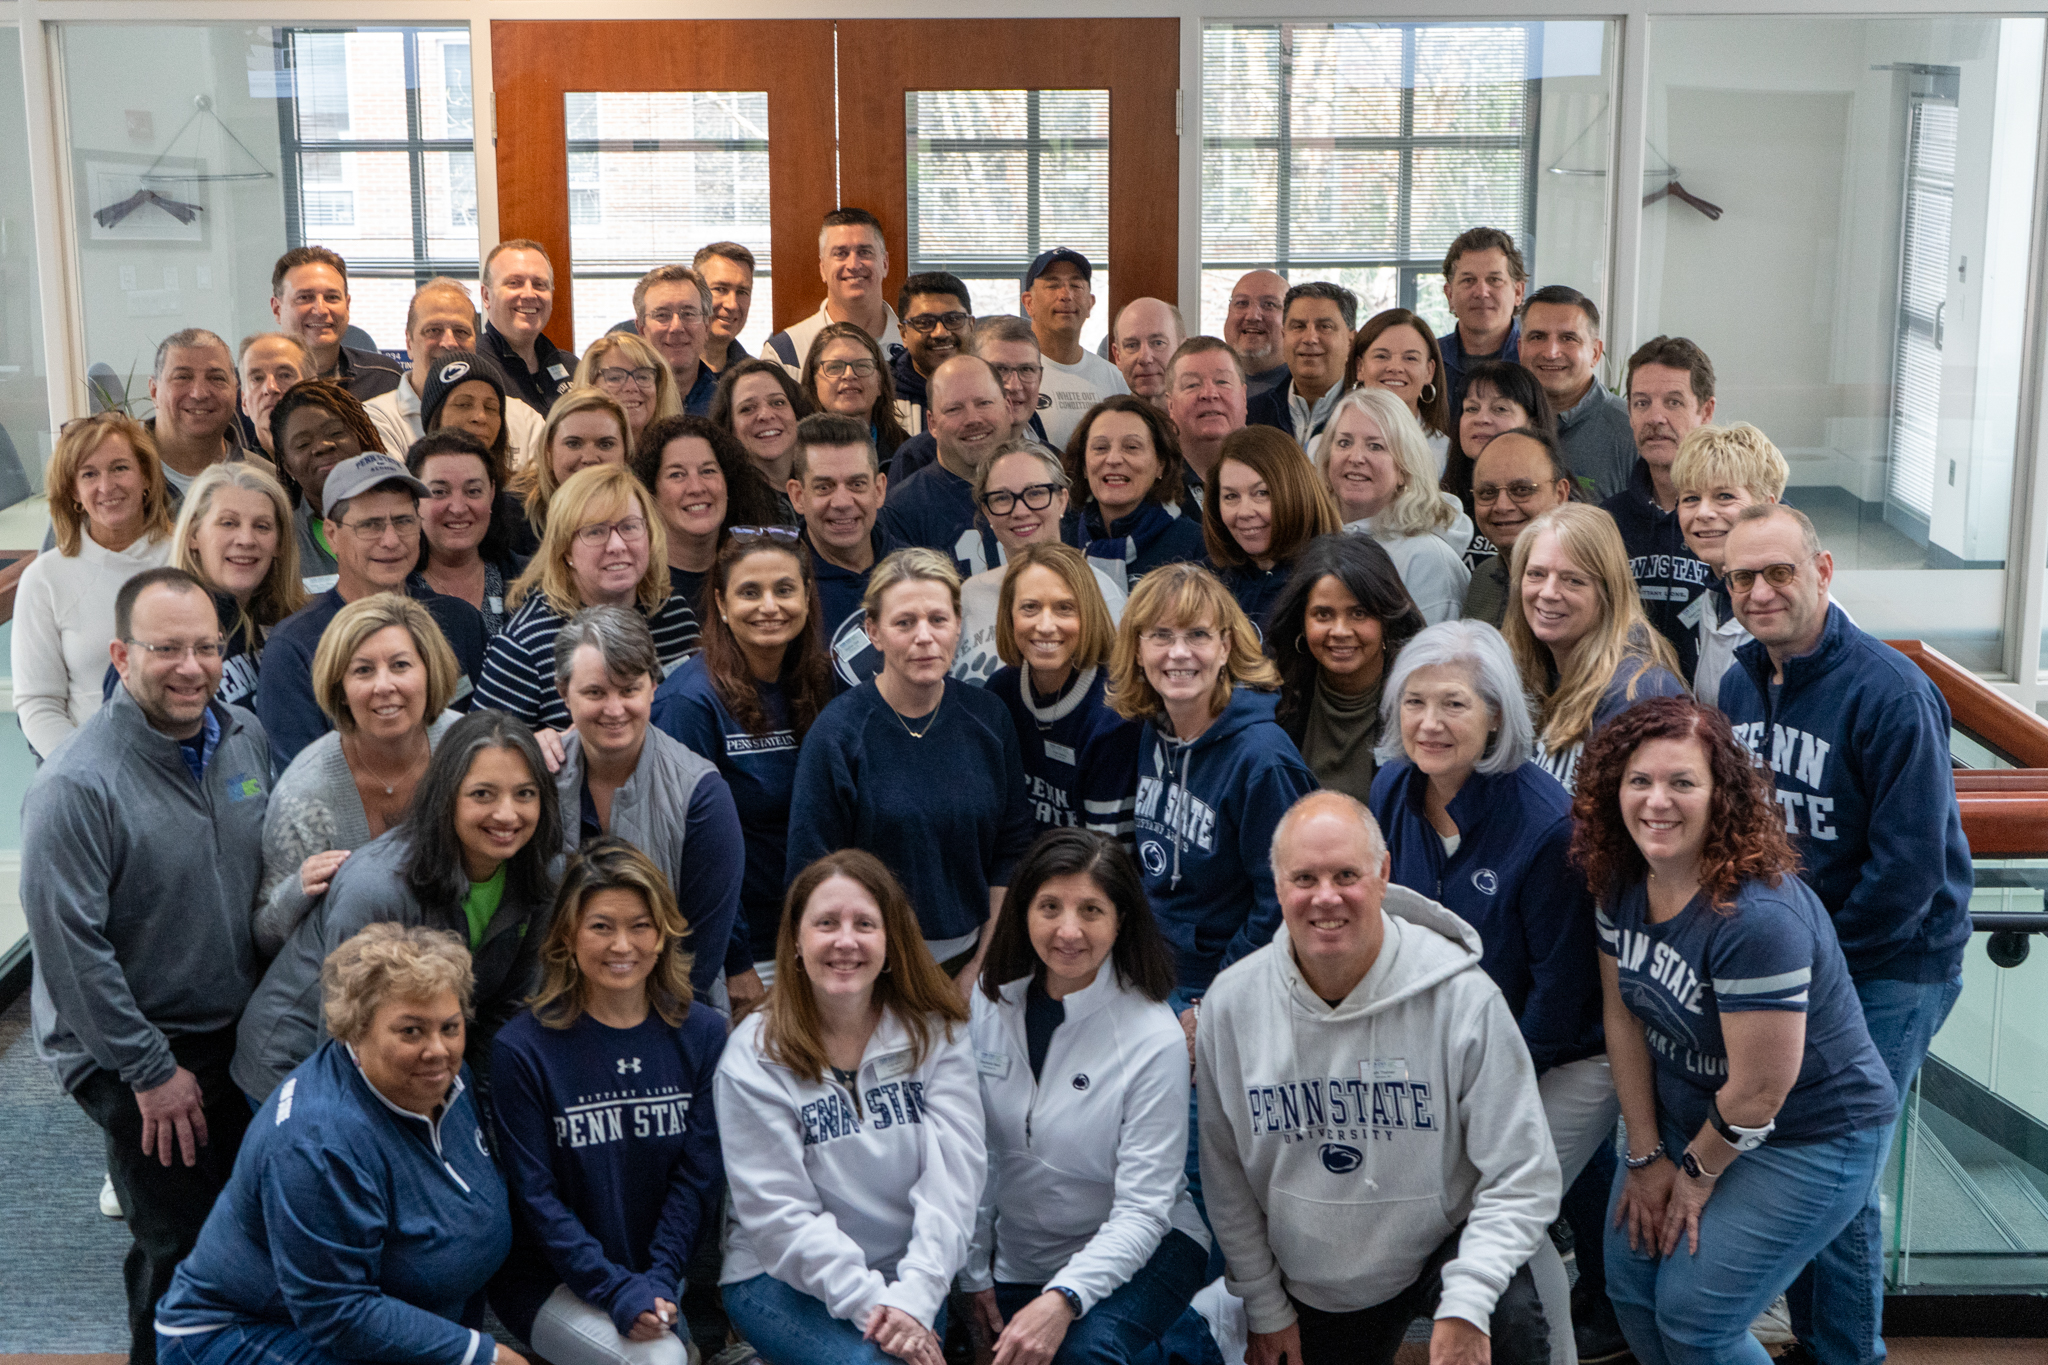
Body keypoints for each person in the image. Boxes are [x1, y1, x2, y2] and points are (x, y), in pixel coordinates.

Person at [1715, 503, 1972, 1365]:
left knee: (1844, 1175)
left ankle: (1848, 1353)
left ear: (1821, 572)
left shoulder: (1892, 692)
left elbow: (1909, 874)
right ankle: (1818, 1339)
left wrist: (1815, 975)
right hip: (1806, 965)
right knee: (1803, 1166)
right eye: (1742, 577)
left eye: (1779, 572)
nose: (1760, 591)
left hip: (1893, 964)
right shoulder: (1740, 681)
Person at [1573, 697, 1899, 1365]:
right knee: (1632, 1290)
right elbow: (1623, 1016)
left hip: (1809, 1134)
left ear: (1721, 794)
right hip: (1687, 1113)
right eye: (1640, 780)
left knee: (1696, 1319)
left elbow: (1759, 1090)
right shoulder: (1620, 879)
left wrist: (1691, 1176)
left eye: (1681, 782)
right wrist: (1643, 1156)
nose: (1656, 801)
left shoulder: (1756, 917)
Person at [1195, 791, 1560, 1365]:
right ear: (1277, 881)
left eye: (1346, 875)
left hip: (1441, 1244)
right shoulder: (1231, 1005)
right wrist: (1264, 1307)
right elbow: (1226, 1180)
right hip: (1315, 1270)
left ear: (1384, 872)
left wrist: (1469, 1301)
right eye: (1304, 878)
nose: (1325, 898)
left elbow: (1522, 1173)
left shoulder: (1462, 998)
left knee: (1507, 1316)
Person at [23, 566, 270, 1365]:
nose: (191, 666)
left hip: (224, 1019)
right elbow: (71, 950)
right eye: (168, 648)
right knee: (181, 1246)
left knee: (247, 1227)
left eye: (205, 646)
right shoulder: (75, 785)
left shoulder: (242, 735)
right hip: (129, 1043)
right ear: (123, 656)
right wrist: (150, 1070)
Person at [1370, 621, 1616, 1365]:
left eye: (1453, 704)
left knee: (1506, 1204)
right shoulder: (1389, 787)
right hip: (1446, 1055)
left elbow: (1561, 995)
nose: (1430, 723)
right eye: (1414, 702)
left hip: (1564, 1059)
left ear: (1497, 716)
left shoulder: (1544, 826)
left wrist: (1476, 1086)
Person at [155, 923, 520, 1365]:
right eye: (411, 1031)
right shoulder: (317, 1146)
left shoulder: (440, 1082)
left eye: (450, 1026)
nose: (438, 1050)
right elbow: (337, 1312)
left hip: (377, 1310)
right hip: (242, 1332)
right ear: (355, 1030)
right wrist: (479, 1355)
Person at [716, 850, 983, 1365]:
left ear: (891, 942)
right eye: (825, 923)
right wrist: (875, 1307)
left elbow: (955, 1183)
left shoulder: (936, 1032)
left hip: (909, 1278)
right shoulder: (754, 1054)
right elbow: (782, 1219)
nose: (845, 940)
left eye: (865, 923)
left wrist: (916, 1298)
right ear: (795, 940)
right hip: (778, 1278)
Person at [965, 830, 1210, 1365]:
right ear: (1023, 911)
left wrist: (1065, 1297)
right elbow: (976, 1155)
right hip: (1020, 1256)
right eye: (1049, 906)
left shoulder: (1152, 1035)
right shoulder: (990, 1003)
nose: (1068, 930)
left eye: (1091, 910)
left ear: (1121, 920)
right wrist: (974, 1272)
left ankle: (1178, 1334)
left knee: (1085, 1353)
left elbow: (1144, 1210)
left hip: (1150, 1245)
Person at [232, 710, 561, 1100]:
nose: (507, 814)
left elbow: (506, 1009)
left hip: (418, 1060)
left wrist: (483, 1112)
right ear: (446, 796)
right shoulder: (377, 889)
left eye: (525, 793)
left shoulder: (542, 872)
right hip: (301, 1065)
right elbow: (342, 1045)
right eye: (482, 794)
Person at [489, 838, 728, 1365]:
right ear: (568, 935)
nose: (623, 945)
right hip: (551, 1282)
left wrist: (659, 1278)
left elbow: (697, 1180)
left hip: (654, 1280)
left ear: (664, 933)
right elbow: (537, 1199)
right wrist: (614, 1290)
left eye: (640, 925)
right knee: (662, 1361)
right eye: (601, 926)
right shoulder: (522, 1050)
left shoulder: (705, 1036)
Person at [787, 547, 1034, 980]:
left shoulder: (990, 717)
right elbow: (813, 872)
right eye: (904, 622)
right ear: (874, 632)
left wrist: (980, 967)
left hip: (973, 961)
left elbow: (1010, 854)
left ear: (958, 625)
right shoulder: (839, 734)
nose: (924, 636)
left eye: (938, 620)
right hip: (869, 965)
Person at [1111, 562, 1318, 1005]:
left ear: (1226, 646)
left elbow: (1282, 903)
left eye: (1198, 636)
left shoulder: (1263, 759)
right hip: (1149, 966)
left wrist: (1217, 1000)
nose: (1178, 653)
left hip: (1222, 986)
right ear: (1136, 649)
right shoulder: (1155, 728)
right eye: (1161, 635)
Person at [652, 531, 837, 1012]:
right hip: (737, 952)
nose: (769, 606)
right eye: (749, 592)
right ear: (721, 602)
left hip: (811, 935)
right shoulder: (689, 702)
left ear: (807, 595)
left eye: (784, 589)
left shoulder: (819, 682)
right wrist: (734, 963)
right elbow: (688, 846)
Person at [546, 606, 744, 999]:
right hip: (553, 1009)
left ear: (654, 685)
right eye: (595, 692)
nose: (614, 709)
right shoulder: (534, 781)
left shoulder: (702, 794)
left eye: (629, 689)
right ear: (562, 691)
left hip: (673, 1012)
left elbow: (698, 955)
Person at [255, 594, 464, 960]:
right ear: (340, 688)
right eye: (363, 670)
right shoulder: (304, 793)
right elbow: (263, 938)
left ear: (430, 672)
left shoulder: (468, 749)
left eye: (400, 665)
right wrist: (296, 893)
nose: (384, 686)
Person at [258, 449, 488, 774]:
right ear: (332, 535)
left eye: (404, 521)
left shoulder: (459, 620)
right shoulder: (294, 647)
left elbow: (486, 742)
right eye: (371, 525)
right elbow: (302, 780)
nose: (391, 540)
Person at [478, 463, 699, 732]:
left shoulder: (674, 615)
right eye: (595, 531)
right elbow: (479, 753)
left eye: (629, 527)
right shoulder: (524, 646)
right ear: (565, 551)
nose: (617, 546)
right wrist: (535, 748)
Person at [16, 410, 176, 757]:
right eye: (89, 474)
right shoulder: (44, 579)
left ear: (147, 477)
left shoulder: (186, 559)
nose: (107, 486)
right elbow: (39, 704)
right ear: (73, 491)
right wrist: (91, 774)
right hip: (87, 776)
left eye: (120, 468)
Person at [1503, 503, 1686, 791]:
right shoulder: (1532, 670)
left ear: (1608, 592)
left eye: (1572, 580)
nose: (1548, 593)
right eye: (1536, 574)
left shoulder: (1638, 694)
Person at [983, 543, 1143, 842]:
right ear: (1009, 615)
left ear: (1089, 614)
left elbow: (1107, 856)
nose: (1045, 626)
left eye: (1064, 608)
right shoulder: (999, 693)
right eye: (1030, 607)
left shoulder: (1114, 712)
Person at [1267, 533, 1425, 803]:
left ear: (1386, 618)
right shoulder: (1271, 696)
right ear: (1301, 620)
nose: (1340, 631)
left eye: (1359, 613)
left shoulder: (1420, 700)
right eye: (1323, 614)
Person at [954, 441, 1127, 684]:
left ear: (1062, 500)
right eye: (1002, 498)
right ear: (986, 511)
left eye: (1035, 493)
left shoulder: (1102, 594)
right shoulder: (969, 596)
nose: (1021, 510)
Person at [1604, 336, 1718, 679]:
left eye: (1673, 402)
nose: (1655, 417)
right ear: (1629, 414)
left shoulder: (1745, 521)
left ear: (1706, 412)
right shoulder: (1607, 522)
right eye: (1641, 403)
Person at [1315, 388, 1472, 623]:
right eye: (1344, 443)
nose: (1356, 457)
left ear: (1404, 468)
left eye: (1375, 446)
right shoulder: (1311, 538)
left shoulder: (1427, 560)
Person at [165, 461, 306, 712]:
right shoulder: (159, 632)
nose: (246, 540)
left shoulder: (297, 626)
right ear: (193, 534)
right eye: (228, 523)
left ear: (280, 543)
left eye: (262, 526)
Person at [1670, 424, 1787, 700]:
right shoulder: (1717, 595)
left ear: (1767, 507)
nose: (1704, 512)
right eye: (1691, 498)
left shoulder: (1796, 609)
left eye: (1724, 496)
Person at [789, 414, 900, 689]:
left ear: (879, 489)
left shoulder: (918, 575)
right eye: (824, 487)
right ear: (798, 496)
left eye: (856, 484)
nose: (841, 502)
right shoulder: (781, 588)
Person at [633, 412, 784, 613]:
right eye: (677, 474)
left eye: (708, 471)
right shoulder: (634, 588)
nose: (696, 488)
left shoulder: (758, 576)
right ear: (652, 493)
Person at [887, 316, 1055, 488]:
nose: (1014, 385)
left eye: (1027, 369)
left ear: (1040, 377)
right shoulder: (916, 457)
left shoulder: (1056, 460)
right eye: (1000, 370)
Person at [1203, 424, 1340, 633]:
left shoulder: (1335, 580)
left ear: (1296, 493)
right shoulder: (1206, 582)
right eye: (1231, 496)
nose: (1245, 511)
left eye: (1261, 493)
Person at [881, 355, 1009, 569]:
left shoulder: (1042, 489)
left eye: (984, 403)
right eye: (954, 409)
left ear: (1008, 407)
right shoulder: (903, 511)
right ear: (931, 423)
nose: (973, 419)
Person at [269, 377, 396, 589]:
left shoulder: (406, 515)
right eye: (303, 444)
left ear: (362, 437)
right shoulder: (280, 539)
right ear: (287, 465)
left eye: (336, 433)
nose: (322, 446)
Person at [1067, 396, 1205, 589]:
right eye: (1100, 448)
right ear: (1083, 465)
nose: (1113, 459)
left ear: (1160, 464)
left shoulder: (1195, 545)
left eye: (1131, 447)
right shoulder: (1062, 541)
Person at [1517, 286, 1633, 502]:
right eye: (1538, 337)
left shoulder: (1630, 430)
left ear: (1595, 353)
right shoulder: (1501, 422)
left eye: (1568, 338)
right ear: (1520, 349)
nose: (1551, 352)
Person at [408, 427, 526, 636]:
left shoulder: (531, 579)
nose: (458, 508)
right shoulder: (394, 589)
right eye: (440, 492)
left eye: (473, 491)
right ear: (414, 499)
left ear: (491, 494)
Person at [767, 206, 904, 370]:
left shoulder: (916, 345)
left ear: (885, 263)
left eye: (865, 252)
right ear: (822, 268)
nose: (853, 265)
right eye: (840, 253)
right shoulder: (787, 354)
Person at [362, 277, 487, 456]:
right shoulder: (374, 420)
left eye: (461, 331)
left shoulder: (519, 417)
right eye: (433, 330)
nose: (449, 343)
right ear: (409, 343)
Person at [1463, 428, 1575, 628]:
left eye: (1522, 490)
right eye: (1487, 493)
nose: (1502, 506)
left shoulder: (1583, 583)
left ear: (1560, 494)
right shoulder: (1483, 580)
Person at [1022, 248, 1128, 449]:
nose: (1065, 295)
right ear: (1029, 303)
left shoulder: (1114, 379)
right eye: (1052, 285)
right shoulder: (1014, 377)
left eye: (1076, 285)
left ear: (1090, 303)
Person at [268, 246, 403, 400]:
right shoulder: (251, 387)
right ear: (277, 309)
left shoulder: (384, 380)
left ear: (347, 305)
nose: (321, 310)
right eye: (304, 297)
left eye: (332, 297)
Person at [147, 330, 265, 502]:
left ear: (235, 390)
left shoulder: (265, 482)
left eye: (216, 378)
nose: (199, 393)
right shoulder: (115, 481)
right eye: (182, 377)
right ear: (154, 391)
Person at [1443, 358, 1556, 521]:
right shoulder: (1443, 499)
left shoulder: (1556, 508)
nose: (1481, 419)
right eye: (1471, 408)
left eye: (1500, 409)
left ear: (1533, 423)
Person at [1246, 282, 1355, 443]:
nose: (1310, 338)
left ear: (1350, 342)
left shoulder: (1370, 416)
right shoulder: (1252, 415)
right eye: (1298, 326)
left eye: (1325, 326)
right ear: (1284, 337)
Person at [1437, 227, 1527, 418]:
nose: (1481, 292)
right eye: (1468, 280)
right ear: (1450, 294)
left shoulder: (1534, 361)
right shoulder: (1430, 359)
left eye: (1494, 280)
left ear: (1518, 292)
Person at [522, 386, 633, 538]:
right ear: (548, 450)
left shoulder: (645, 514)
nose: (589, 458)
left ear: (626, 453)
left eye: (605, 444)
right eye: (573, 444)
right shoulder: (513, 515)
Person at [482, 238, 576, 416]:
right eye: (514, 283)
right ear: (486, 296)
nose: (529, 294)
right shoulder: (474, 370)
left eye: (539, 284)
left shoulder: (573, 369)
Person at [1349, 308, 1452, 465]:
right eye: (1381, 356)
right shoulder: (1324, 446)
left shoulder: (1447, 453)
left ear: (1429, 371)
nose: (1395, 367)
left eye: (1410, 358)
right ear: (1360, 367)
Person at [804, 322, 913, 469]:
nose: (849, 375)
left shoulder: (909, 456)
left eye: (862, 365)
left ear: (880, 383)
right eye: (835, 367)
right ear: (814, 382)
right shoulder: (791, 455)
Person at [1166, 337, 1249, 501]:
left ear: (1244, 397)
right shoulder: (1153, 486)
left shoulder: (1278, 473)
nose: (1209, 394)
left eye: (1222, 381)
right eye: (1192, 385)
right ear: (1170, 406)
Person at [630, 263, 719, 415]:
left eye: (689, 314)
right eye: (662, 315)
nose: (676, 327)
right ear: (641, 329)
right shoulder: (625, 406)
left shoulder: (728, 405)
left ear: (707, 325)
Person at [895, 271, 975, 431]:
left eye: (953, 319)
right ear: (903, 333)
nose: (941, 333)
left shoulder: (997, 390)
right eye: (924, 322)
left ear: (971, 326)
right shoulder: (879, 396)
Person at [576, 330, 683, 449]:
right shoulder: (580, 461)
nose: (632, 387)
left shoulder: (677, 456)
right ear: (590, 386)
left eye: (643, 376)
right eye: (615, 377)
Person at [235, 332, 313, 463]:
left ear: (313, 390)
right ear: (244, 402)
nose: (270, 387)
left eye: (285, 375)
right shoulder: (235, 478)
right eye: (257, 378)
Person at [1223, 269, 1291, 397]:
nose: (1252, 316)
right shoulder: (1205, 387)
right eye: (1242, 303)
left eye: (1269, 304)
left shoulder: (1307, 391)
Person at [1112, 297, 1186, 408]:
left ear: (1182, 350)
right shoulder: (1106, 424)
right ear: (1117, 357)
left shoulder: (1206, 423)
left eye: (1158, 343)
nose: (1144, 358)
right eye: (1132, 345)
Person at [695, 241, 757, 374]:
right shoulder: (659, 376)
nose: (732, 304)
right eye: (720, 289)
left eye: (742, 292)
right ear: (695, 292)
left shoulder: (755, 379)